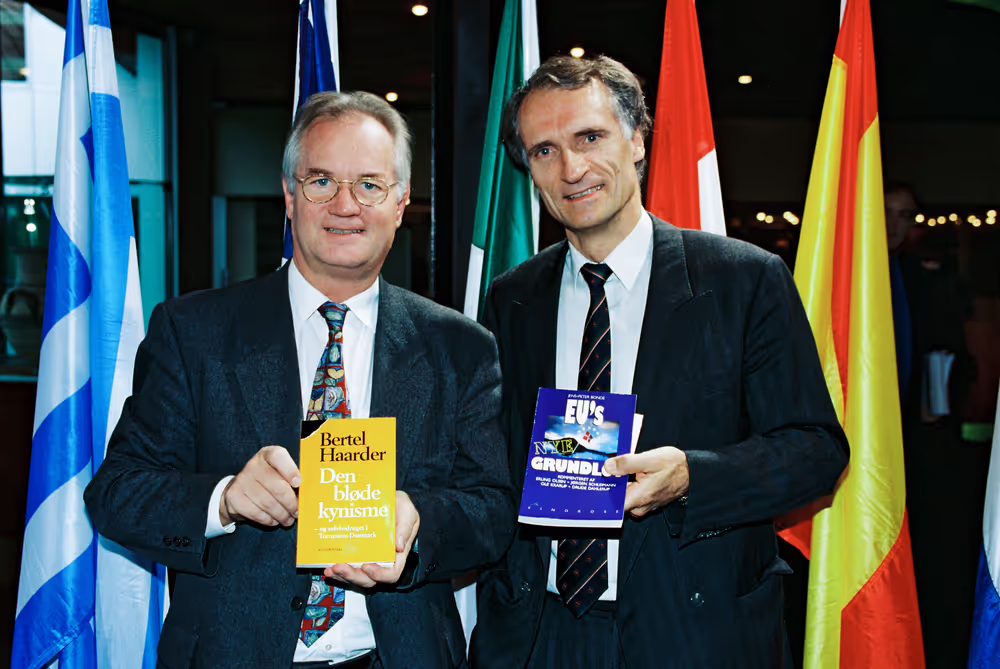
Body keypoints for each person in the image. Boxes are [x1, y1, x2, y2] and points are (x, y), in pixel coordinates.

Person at [85, 91, 515, 669]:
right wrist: (224, 499)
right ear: (289, 195)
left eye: (369, 184)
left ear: (401, 202)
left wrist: (420, 522)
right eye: (320, 181)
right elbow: (116, 494)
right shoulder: (192, 331)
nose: (345, 204)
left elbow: (492, 511)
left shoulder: (460, 347)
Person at [470, 55, 849, 669]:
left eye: (590, 137)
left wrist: (692, 475)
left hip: (693, 631)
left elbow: (816, 450)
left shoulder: (742, 280)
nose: (572, 168)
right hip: (540, 633)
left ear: (638, 140)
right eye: (544, 150)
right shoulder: (512, 299)